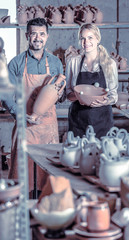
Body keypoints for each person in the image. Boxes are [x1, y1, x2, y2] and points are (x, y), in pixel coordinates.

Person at [3, 17, 65, 197]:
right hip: (25, 127)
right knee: (24, 178)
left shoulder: (55, 63)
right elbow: (6, 94)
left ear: (47, 36)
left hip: (48, 128)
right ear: (27, 35)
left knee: (48, 180)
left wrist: (60, 93)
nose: (38, 38)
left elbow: (59, 93)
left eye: (42, 34)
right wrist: (18, 114)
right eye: (33, 34)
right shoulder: (16, 63)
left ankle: (45, 215)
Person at [65, 23, 118, 139]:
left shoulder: (109, 64)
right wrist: (79, 97)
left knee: (101, 154)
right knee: (77, 155)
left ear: (98, 39)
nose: (86, 42)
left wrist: (105, 101)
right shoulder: (73, 62)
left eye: (90, 38)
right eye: (83, 38)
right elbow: (67, 93)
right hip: (78, 121)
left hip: (102, 121)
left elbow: (114, 95)